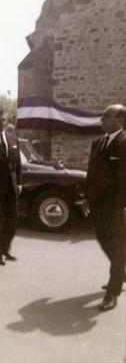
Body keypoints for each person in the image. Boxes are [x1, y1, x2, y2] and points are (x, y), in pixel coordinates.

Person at [85, 104, 126, 311]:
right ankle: (121, 271)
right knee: (103, 239)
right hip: (98, 204)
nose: (102, 119)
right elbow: (91, 171)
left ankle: (113, 292)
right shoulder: (98, 142)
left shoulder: (124, 142)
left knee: (117, 246)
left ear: (119, 120)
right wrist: (86, 197)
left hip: (118, 206)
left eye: (106, 116)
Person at [0, 108, 22, 265]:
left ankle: (5, 249)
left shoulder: (13, 139)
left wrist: (19, 182)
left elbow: (18, 164)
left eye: (4, 120)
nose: (2, 123)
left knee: (12, 220)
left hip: (12, 187)